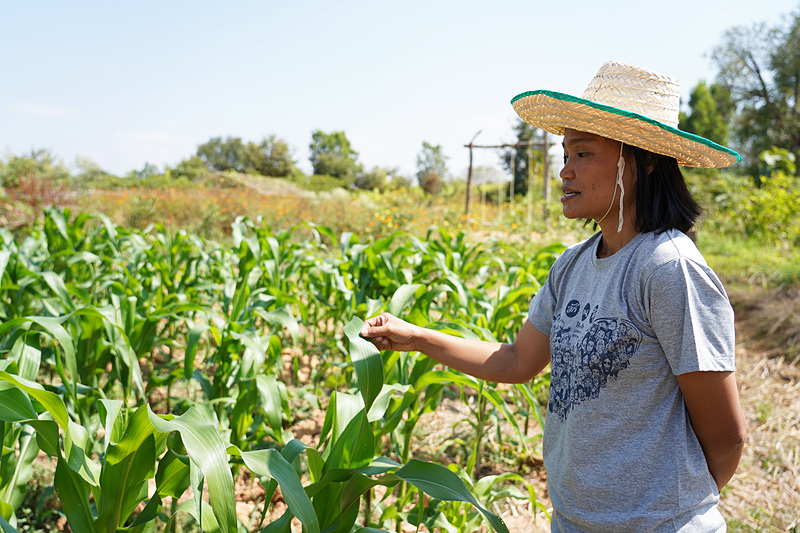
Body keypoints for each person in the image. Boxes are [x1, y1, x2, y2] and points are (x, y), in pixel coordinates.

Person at [360, 61, 747, 532]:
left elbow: (726, 438)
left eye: (583, 154)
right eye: (565, 154)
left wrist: (659, 512)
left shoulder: (668, 269)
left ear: (642, 159)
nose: (564, 171)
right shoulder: (572, 266)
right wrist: (414, 337)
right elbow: (517, 361)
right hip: (574, 521)